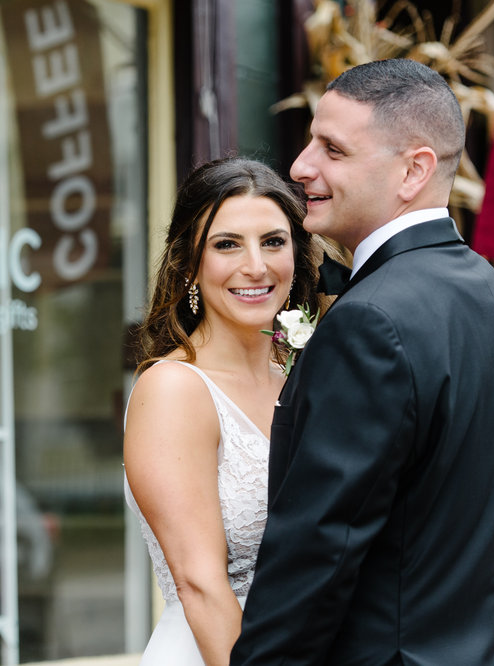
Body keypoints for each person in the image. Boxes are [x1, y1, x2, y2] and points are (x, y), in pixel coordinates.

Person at [230, 59, 494, 665]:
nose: (301, 166)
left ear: (414, 170)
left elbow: (317, 554)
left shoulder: (369, 321)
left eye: (333, 149)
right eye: (309, 142)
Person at [124, 157, 336, 665]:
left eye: (273, 241)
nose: (256, 266)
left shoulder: (304, 375)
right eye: (227, 245)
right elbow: (200, 585)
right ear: (190, 263)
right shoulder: (174, 389)